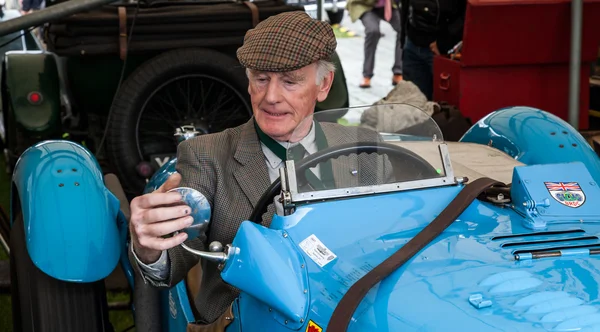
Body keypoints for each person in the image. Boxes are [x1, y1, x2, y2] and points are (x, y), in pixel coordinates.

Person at [128, 11, 390, 330]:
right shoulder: (205, 155)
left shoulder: (365, 147)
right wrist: (148, 246)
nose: (271, 97)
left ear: (323, 85)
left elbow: (399, 236)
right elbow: (174, 264)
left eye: (290, 81)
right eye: (261, 78)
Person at [399, 0, 466, 100]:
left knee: (442, 104)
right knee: (412, 103)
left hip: (441, 51)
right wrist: (404, 37)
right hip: (412, 42)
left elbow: (467, 14)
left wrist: (444, 42)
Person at [347, 0, 403, 88]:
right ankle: (367, 75)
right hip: (365, 5)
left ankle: (398, 72)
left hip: (389, 5)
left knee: (404, 30)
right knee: (373, 31)